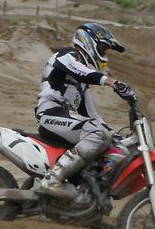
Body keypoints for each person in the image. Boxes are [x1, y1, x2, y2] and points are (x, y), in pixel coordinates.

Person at [35, 22, 130, 197]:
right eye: (102, 48)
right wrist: (111, 82)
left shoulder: (82, 84)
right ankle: (52, 179)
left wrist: (114, 135)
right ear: (88, 42)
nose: (104, 54)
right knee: (96, 135)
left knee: (106, 139)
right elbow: (80, 71)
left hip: (66, 118)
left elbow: (91, 114)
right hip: (50, 112)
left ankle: (88, 188)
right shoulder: (65, 55)